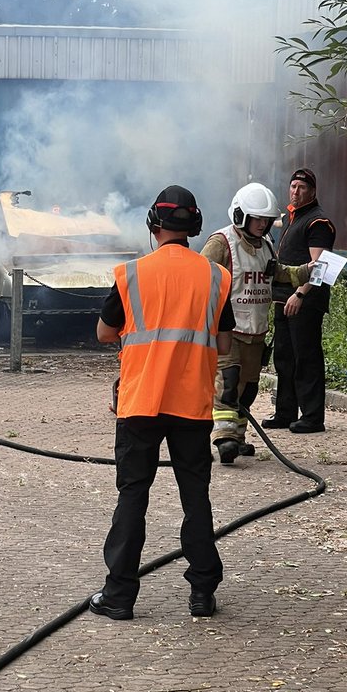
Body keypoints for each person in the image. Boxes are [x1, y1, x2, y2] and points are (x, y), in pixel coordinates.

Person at [90, 185, 235, 621]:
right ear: (193, 227)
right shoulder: (216, 277)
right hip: (192, 405)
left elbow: (103, 333)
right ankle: (202, 594)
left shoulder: (130, 274)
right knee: (196, 497)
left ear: (153, 225)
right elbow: (225, 341)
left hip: (140, 403)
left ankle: (118, 596)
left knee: (133, 495)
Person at [201, 183, 313, 464]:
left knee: (248, 388)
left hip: (256, 332)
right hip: (228, 330)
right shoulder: (221, 243)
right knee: (228, 383)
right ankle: (223, 438)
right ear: (240, 215)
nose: (263, 225)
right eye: (257, 219)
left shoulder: (266, 246)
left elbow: (278, 274)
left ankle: (237, 438)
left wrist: (306, 272)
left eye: (266, 220)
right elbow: (200, 278)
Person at [263, 168, 336, 434]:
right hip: (284, 299)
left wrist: (300, 294)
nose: (296, 191)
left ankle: (313, 417)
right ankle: (285, 412)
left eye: (302, 188)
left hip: (304, 300)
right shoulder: (293, 217)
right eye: (293, 186)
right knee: (285, 357)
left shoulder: (318, 222)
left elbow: (320, 265)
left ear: (313, 192)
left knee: (306, 357)